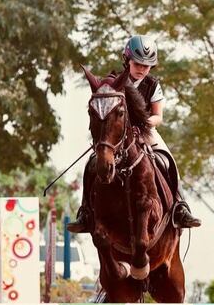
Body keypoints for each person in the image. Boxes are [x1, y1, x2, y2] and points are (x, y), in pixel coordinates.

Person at [68, 35, 201, 233]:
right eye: (138, 63)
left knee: (168, 160)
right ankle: (85, 212)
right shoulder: (112, 82)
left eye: (146, 66)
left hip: (145, 131)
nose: (141, 69)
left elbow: (158, 116)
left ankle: (180, 207)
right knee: (92, 163)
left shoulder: (153, 85)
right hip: (116, 136)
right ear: (127, 60)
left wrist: (143, 125)